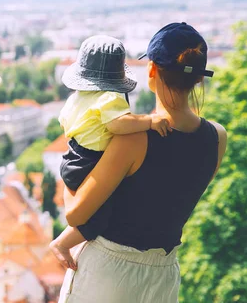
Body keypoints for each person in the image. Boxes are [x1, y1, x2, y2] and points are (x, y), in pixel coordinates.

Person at [51, 22, 227, 303]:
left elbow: (75, 215)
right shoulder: (217, 137)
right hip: (164, 275)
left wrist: (74, 155)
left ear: (152, 70)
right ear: (198, 78)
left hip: (109, 272)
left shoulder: (134, 140)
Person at [52, 35, 171, 270]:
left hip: (72, 157)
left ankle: (69, 231)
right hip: (91, 160)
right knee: (100, 215)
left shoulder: (77, 97)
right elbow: (118, 124)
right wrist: (149, 121)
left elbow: (64, 122)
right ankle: (62, 243)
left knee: (85, 206)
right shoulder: (110, 98)